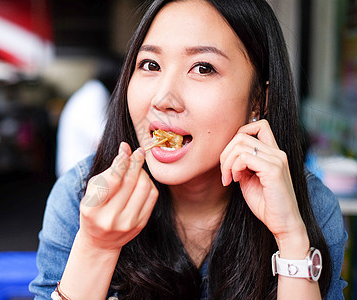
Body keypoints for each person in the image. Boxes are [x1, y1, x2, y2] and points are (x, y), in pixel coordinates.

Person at [30, 0, 347, 299]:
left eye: (203, 68)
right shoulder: (83, 195)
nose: (163, 98)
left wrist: (291, 238)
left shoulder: (311, 206)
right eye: (150, 64)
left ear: (257, 101)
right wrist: (96, 245)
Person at [56, 55, 122, 178]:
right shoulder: (95, 94)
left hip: (75, 170)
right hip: (77, 174)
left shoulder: (92, 91)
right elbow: (102, 139)